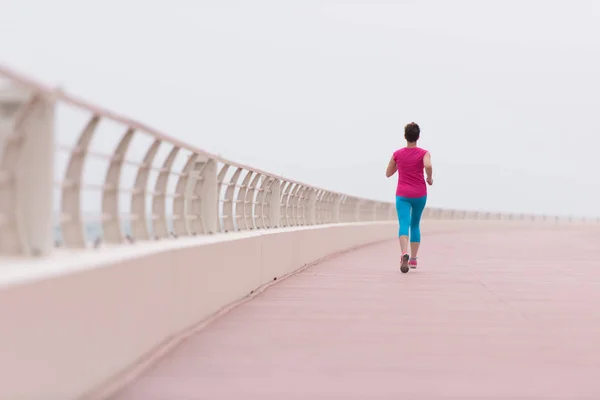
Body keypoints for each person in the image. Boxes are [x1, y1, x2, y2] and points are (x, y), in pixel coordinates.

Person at [385, 122, 433, 273]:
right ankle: (413, 259)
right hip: (419, 194)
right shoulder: (424, 153)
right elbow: (428, 165)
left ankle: (403, 253)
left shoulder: (397, 154)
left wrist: (401, 164)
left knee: (403, 224)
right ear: (418, 136)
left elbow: (388, 173)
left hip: (403, 194)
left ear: (405, 136)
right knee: (415, 224)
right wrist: (429, 178)